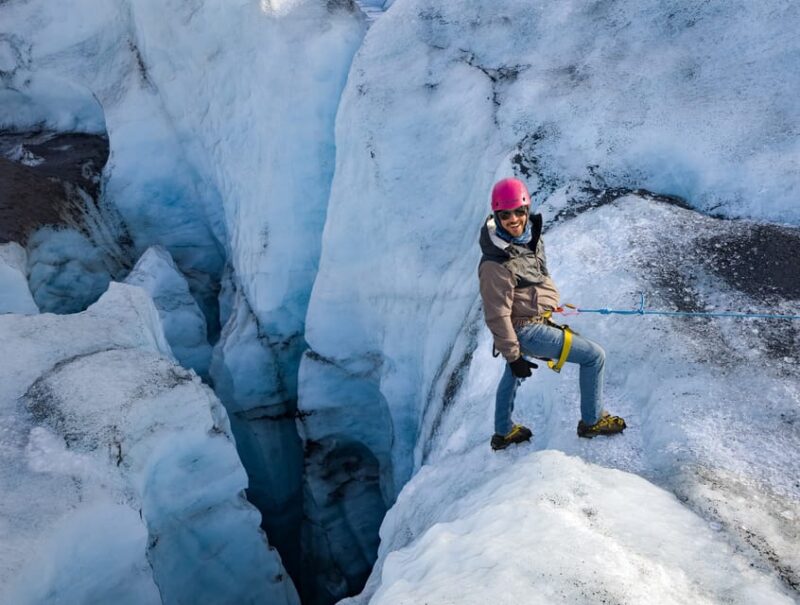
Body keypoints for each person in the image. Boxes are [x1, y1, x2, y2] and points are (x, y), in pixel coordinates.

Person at [478, 177, 626, 450]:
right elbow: (497, 315)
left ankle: (504, 432)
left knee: (513, 375)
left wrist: (544, 304)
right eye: (505, 214)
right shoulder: (495, 263)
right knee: (594, 357)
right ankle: (592, 421)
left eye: (518, 212)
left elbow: (534, 280)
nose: (513, 219)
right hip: (525, 329)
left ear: (526, 210)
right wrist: (512, 355)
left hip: (532, 320)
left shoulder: (528, 238)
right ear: (496, 215)